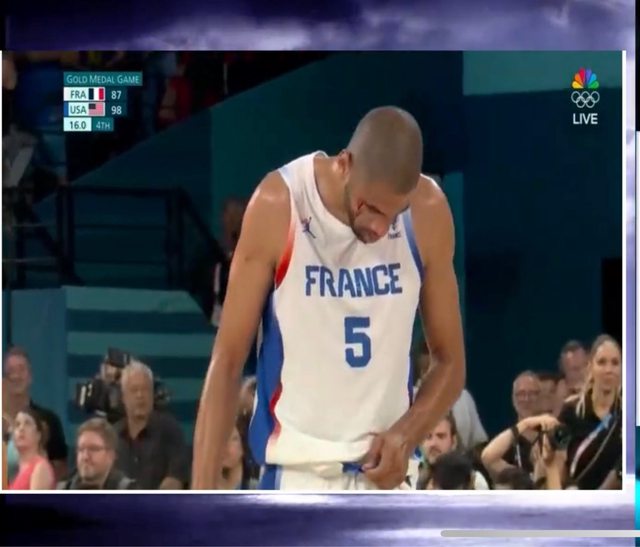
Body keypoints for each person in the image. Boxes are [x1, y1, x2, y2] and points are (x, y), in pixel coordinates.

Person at [192, 106, 466, 490]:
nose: (380, 227)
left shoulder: (427, 211)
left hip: (387, 481)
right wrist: (200, 502)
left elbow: (451, 363)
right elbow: (227, 361)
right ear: (344, 163)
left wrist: (407, 434)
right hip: (297, 479)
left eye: (394, 214)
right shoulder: (280, 203)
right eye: (371, 208)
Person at [559, 335, 622, 490]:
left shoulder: (629, 415)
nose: (609, 370)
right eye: (601, 362)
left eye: (615, 363)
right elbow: (557, 461)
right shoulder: (570, 411)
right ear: (590, 367)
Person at [115, 360, 190, 489]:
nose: (140, 395)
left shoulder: (169, 429)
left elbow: (176, 478)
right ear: (123, 397)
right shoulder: (113, 436)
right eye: (134, 390)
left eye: (145, 389)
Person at [2, 347, 68, 481]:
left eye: (21, 370)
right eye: (10, 371)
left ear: (30, 377)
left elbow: (61, 471)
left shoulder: (49, 420)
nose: (15, 376)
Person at [58, 418, 135, 490]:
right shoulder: (62, 490)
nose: (85, 456)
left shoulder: (129, 492)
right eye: (81, 449)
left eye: (93, 449)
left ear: (111, 455)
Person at [418, 414, 488, 490]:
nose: (433, 443)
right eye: (428, 437)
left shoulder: (473, 480)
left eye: (441, 436)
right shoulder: (412, 476)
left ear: (454, 441)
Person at [8, 408, 56, 490]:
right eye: (17, 424)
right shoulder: (17, 470)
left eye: (27, 423)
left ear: (38, 435)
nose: (21, 428)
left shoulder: (40, 468)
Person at [554, 340, 588, 414]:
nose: (575, 375)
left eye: (577, 368)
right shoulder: (556, 390)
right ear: (562, 367)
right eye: (571, 369)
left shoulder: (598, 387)